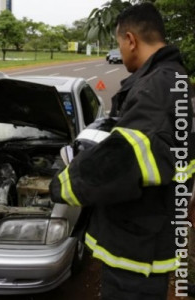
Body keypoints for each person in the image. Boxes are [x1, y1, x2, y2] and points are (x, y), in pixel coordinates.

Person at [50, 3, 194, 299]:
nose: (122, 51)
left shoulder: (158, 88)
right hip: (152, 226)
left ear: (130, 39)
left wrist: (63, 184)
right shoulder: (175, 79)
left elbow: (122, 160)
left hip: (137, 248)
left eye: (119, 44)